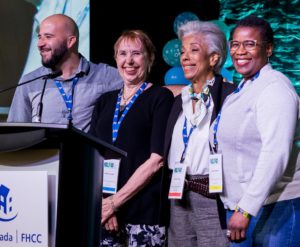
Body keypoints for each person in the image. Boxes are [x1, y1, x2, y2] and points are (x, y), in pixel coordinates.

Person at [210, 14, 300, 246]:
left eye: (250, 44)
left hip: (273, 207)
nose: (240, 51)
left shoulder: (275, 89)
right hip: (242, 207)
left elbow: (275, 153)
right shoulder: (245, 87)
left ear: (268, 49)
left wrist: (246, 208)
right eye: (236, 44)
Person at [89, 30, 174, 246]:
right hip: (105, 213)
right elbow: (93, 156)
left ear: (150, 58)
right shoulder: (104, 101)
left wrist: (115, 202)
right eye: (122, 53)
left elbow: (157, 160)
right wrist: (105, 204)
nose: (129, 61)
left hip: (144, 212)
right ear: (116, 59)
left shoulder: (160, 97)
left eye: (136, 53)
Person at [164, 20, 235, 247]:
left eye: (194, 50)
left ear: (214, 58)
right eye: (183, 51)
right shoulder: (178, 100)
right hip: (178, 196)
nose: (185, 57)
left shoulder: (231, 97)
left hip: (213, 196)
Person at [7, 14, 122, 131]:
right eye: (40, 37)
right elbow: (16, 134)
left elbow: (138, 86)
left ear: (70, 41)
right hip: (45, 149)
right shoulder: (29, 82)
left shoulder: (105, 75)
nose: (40, 44)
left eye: (48, 37)